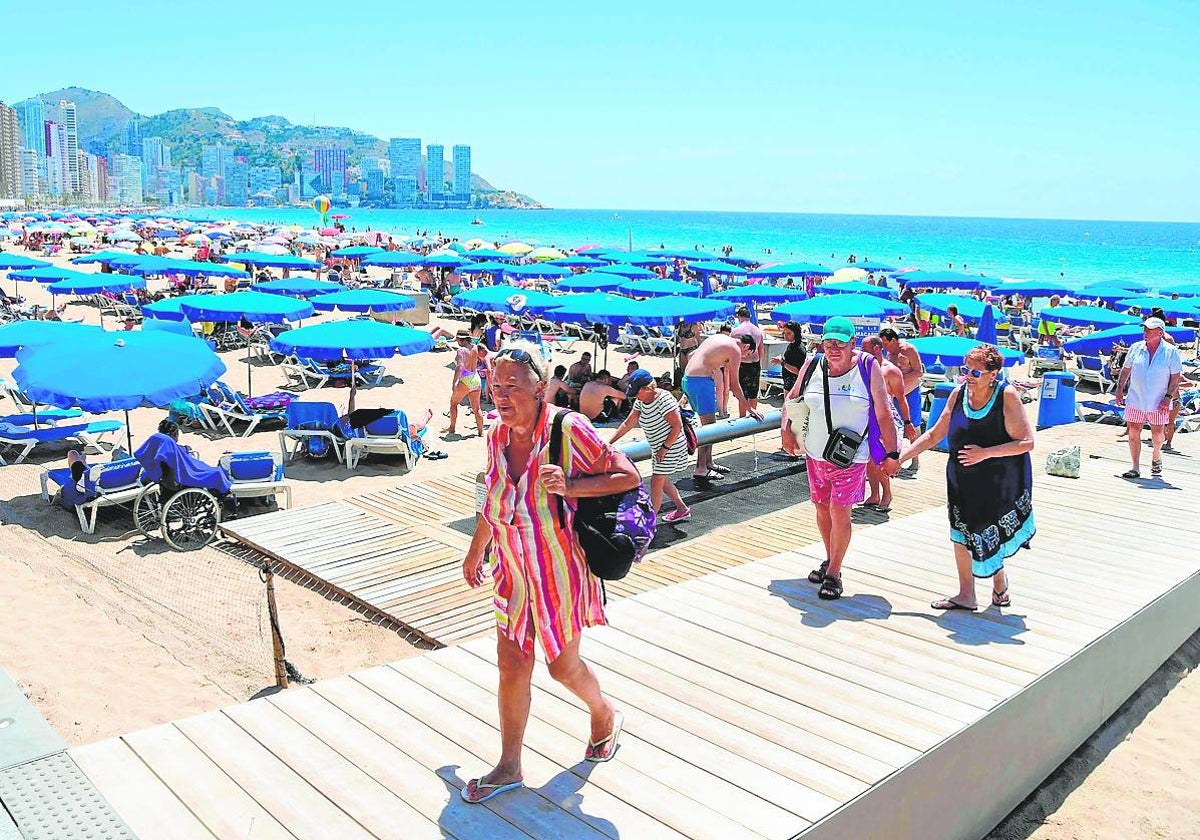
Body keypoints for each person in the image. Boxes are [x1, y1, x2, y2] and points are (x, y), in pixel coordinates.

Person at [461, 342, 639, 804]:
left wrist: (572, 485)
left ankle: (603, 713)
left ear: (540, 387)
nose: (501, 396)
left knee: (562, 667)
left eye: (512, 387)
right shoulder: (496, 436)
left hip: (560, 571)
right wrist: (476, 548)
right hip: (513, 571)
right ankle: (509, 765)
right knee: (511, 663)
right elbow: (496, 496)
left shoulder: (568, 427)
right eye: (495, 386)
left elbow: (627, 476)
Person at [899, 344, 1036, 610]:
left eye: (976, 372)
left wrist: (985, 453)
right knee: (961, 533)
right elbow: (934, 434)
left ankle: (999, 583)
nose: (969, 377)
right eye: (965, 370)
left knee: (989, 533)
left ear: (993, 374)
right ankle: (966, 594)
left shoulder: (1006, 396)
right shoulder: (958, 393)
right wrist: (902, 458)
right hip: (961, 479)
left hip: (998, 480)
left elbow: (1027, 442)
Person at [784, 317, 899, 600]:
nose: (834, 348)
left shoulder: (867, 367)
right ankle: (829, 558)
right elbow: (793, 398)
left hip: (851, 457)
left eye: (840, 343)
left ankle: (834, 573)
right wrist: (787, 432)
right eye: (829, 342)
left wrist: (893, 453)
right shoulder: (812, 364)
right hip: (815, 453)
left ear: (853, 344)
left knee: (839, 510)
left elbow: (884, 412)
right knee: (822, 508)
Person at [610, 368, 692, 523]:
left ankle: (649, 523)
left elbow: (677, 427)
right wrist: (609, 442)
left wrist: (664, 449)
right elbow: (628, 423)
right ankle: (682, 509)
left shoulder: (664, 400)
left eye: (636, 392)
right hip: (658, 447)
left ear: (647, 388)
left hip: (671, 446)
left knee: (656, 482)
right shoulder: (641, 401)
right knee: (663, 481)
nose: (635, 396)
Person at [682, 333, 762, 483]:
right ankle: (701, 469)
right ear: (745, 346)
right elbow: (734, 385)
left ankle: (708, 463)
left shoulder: (718, 338)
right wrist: (749, 408)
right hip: (700, 382)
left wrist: (710, 366)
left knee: (708, 425)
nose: (744, 358)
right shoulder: (735, 350)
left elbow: (692, 354)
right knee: (710, 428)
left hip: (688, 379)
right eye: (747, 354)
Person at [1113, 317, 1182, 478]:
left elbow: (1176, 377)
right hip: (1136, 398)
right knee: (1133, 432)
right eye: (1145, 329)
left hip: (1159, 400)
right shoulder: (1136, 348)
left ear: (1160, 332)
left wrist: (1168, 397)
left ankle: (1156, 455)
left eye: (1150, 330)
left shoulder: (1171, 352)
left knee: (1158, 435)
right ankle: (1135, 467)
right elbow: (1125, 370)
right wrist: (1119, 389)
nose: (1146, 333)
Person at [860, 336, 917, 512]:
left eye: (865, 348)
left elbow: (901, 398)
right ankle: (874, 494)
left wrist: (908, 423)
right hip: (866, 416)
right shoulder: (862, 367)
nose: (862, 351)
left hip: (885, 417)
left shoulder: (890, 370)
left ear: (877, 348)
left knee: (880, 459)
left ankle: (887, 494)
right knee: (868, 460)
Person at [878, 328, 925, 471]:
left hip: (910, 392)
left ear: (893, 340)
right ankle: (891, 460)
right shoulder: (888, 353)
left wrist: (899, 380)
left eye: (885, 343)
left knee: (913, 426)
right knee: (892, 425)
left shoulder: (908, 349)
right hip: (895, 395)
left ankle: (915, 461)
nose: (884, 346)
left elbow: (919, 372)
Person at [444, 329, 484, 437]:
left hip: (465, 378)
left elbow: (460, 366)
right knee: (477, 408)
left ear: (460, 339)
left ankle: (452, 428)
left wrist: (454, 382)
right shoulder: (475, 347)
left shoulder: (461, 350)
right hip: (475, 377)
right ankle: (481, 432)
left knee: (453, 403)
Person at [729, 305, 765, 413]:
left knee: (743, 394)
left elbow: (731, 350)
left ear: (739, 317)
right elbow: (761, 350)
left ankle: (742, 417)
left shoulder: (735, 331)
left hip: (742, 365)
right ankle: (754, 417)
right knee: (753, 394)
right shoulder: (757, 331)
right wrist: (759, 364)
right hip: (755, 363)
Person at [770, 321, 808, 393]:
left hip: (794, 384)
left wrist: (782, 363)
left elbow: (798, 371)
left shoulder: (799, 349)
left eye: (789, 333)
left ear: (795, 334)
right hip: (788, 381)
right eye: (784, 333)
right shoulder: (792, 345)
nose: (785, 335)